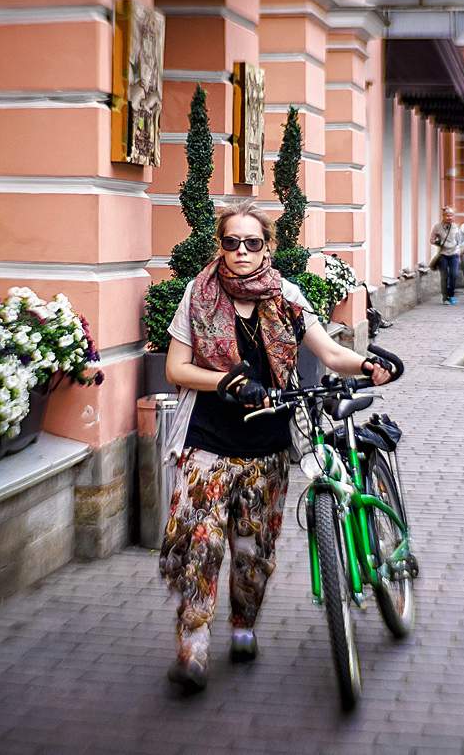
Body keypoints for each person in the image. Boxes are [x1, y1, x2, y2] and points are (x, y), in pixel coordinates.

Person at [160, 200, 393, 693]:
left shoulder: (286, 296)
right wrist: (227, 381)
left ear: (269, 246)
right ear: (219, 246)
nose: (241, 252)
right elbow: (176, 370)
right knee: (199, 544)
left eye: (252, 242)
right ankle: (193, 645)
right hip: (208, 441)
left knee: (252, 552)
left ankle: (244, 626)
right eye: (231, 242)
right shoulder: (197, 295)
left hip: (268, 445)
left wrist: (368, 365)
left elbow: (329, 352)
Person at [429, 206, 463, 305]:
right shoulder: (437, 226)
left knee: (454, 275)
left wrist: (459, 249)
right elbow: (431, 239)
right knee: (444, 276)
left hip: (454, 254)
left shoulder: (456, 227)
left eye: (451, 215)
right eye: (447, 215)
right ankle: (445, 298)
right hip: (443, 254)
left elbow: (459, 240)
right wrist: (437, 241)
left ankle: (451, 295)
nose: (449, 217)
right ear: (443, 216)